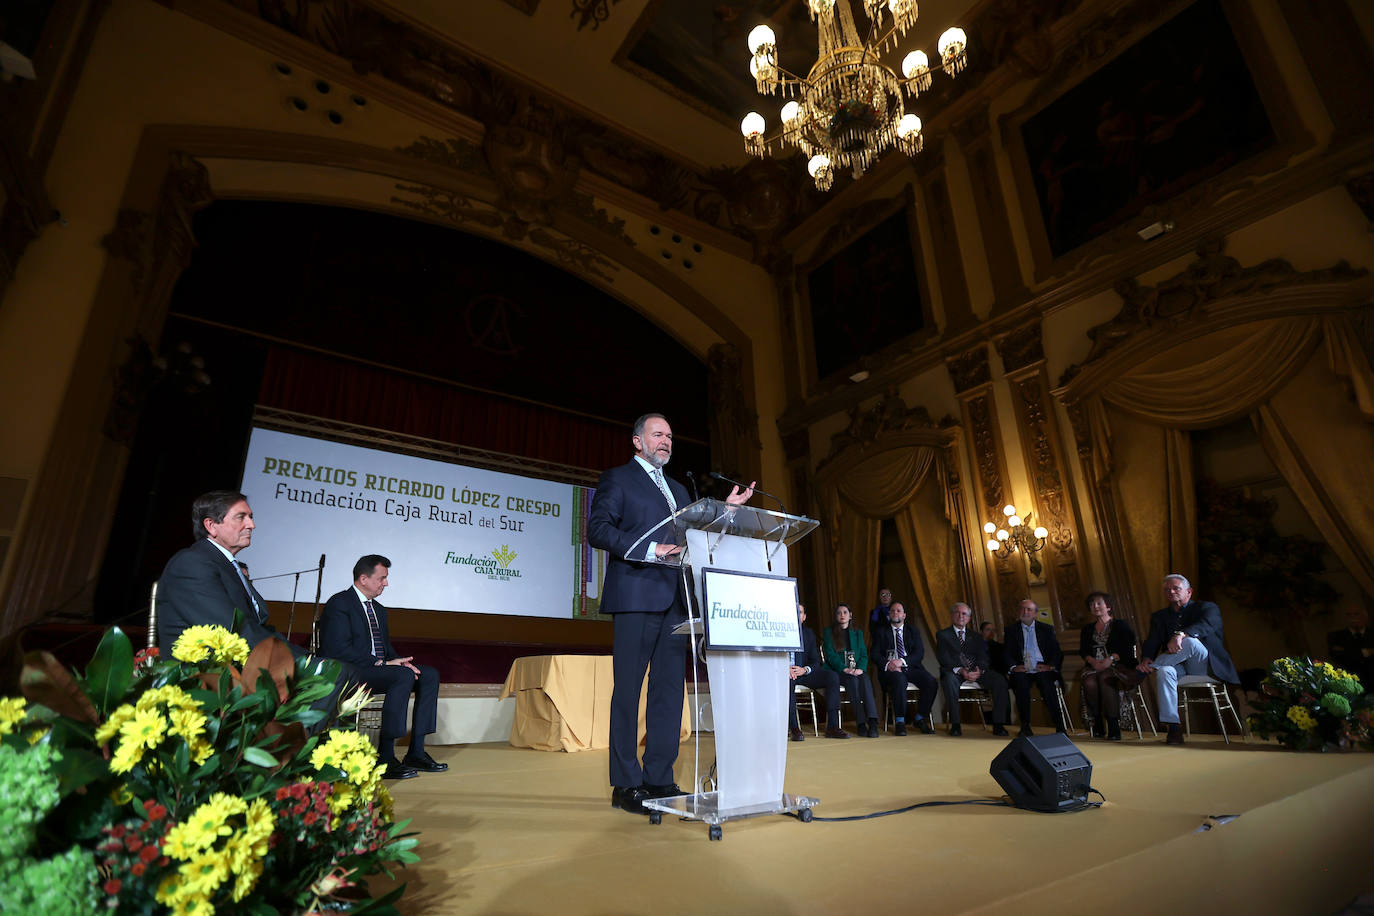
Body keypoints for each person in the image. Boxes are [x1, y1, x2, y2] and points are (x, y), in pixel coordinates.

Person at [588, 413, 753, 815]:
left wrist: (726, 512)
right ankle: (626, 785)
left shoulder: (680, 489)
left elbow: (695, 538)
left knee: (669, 693)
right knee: (627, 692)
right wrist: (652, 550)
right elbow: (598, 529)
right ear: (637, 441)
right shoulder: (618, 479)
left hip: (676, 602)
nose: (666, 441)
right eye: (657, 434)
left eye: (670, 436)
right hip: (635, 596)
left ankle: (659, 777)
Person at [319, 555, 445, 780]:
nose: (386, 583)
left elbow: (385, 649)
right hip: (350, 672)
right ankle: (386, 756)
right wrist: (383, 663)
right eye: (382, 578)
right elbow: (337, 650)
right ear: (364, 578)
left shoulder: (378, 610)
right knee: (401, 677)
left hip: (378, 669)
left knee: (429, 674)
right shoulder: (339, 603)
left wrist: (400, 661)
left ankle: (416, 752)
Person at [157, 490, 299, 652]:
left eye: (250, 517)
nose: (251, 525)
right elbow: (232, 632)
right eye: (241, 517)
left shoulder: (230, 566)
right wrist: (306, 666)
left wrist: (309, 660)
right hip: (208, 673)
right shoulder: (191, 564)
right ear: (211, 525)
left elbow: (260, 629)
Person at [1138, 573, 1239, 745]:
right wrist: (1147, 657)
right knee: (1165, 672)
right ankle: (1174, 728)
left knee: (1190, 642)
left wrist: (1180, 634)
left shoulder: (1207, 608)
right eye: (1167, 590)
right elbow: (1152, 640)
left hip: (1204, 664)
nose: (1171, 592)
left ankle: (1146, 671)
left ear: (1189, 592)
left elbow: (1207, 625)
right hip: (1177, 665)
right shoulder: (1160, 616)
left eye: (1176, 588)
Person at [1077, 591, 1145, 740]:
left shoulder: (1121, 625)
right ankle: (1098, 724)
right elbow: (1083, 651)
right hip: (1094, 666)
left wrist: (1111, 659)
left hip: (1118, 666)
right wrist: (1093, 662)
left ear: (1108, 606)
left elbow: (1128, 649)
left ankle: (1114, 726)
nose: (1095, 606)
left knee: (1105, 678)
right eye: (1092, 604)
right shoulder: (1087, 629)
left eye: (1099, 603)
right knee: (1089, 682)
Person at [935, 603, 1009, 737]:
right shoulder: (942, 635)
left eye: (964, 614)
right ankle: (956, 725)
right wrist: (962, 670)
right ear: (952, 615)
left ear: (969, 618)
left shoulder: (976, 636)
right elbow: (943, 658)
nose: (960, 616)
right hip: (955, 671)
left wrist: (978, 670)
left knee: (999, 680)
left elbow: (983, 657)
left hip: (976, 671)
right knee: (949, 680)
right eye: (957, 612)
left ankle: (999, 724)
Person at [869, 601, 937, 734]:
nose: (895, 613)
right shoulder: (881, 632)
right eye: (893, 611)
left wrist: (902, 661)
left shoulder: (913, 631)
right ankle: (900, 721)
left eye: (899, 611)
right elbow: (875, 654)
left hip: (911, 667)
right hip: (891, 671)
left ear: (904, 615)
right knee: (899, 680)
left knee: (931, 682)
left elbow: (919, 653)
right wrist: (889, 664)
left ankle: (919, 718)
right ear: (889, 614)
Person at [1003, 599, 1066, 737]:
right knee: (1020, 683)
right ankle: (1025, 726)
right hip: (1022, 668)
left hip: (1041, 667)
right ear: (1018, 612)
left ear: (1036, 614)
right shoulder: (1011, 630)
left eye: (1029, 609)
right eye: (1022, 609)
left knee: (1047, 684)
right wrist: (1014, 667)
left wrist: (1050, 666)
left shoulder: (1046, 629)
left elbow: (1057, 652)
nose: (1025, 612)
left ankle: (1060, 727)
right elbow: (1006, 653)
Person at [788, 603, 848, 740]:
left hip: (803, 673)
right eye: (794, 612)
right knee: (788, 682)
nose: (797, 615)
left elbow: (815, 661)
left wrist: (804, 670)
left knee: (832, 676)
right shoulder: (777, 631)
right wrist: (785, 668)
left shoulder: (808, 634)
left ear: (804, 617)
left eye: (800, 612)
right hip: (787, 673)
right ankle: (794, 728)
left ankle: (832, 727)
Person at [822, 603, 879, 737]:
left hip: (856, 670)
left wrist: (860, 669)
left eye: (845, 612)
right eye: (839, 613)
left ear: (850, 615)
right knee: (853, 681)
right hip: (839, 672)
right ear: (836, 616)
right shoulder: (829, 632)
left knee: (865, 679)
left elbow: (864, 655)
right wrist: (845, 669)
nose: (842, 615)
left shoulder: (857, 633)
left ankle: (872, 721)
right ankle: (860, 723)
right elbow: (830, 656)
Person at [1326, 600, 1374, 687]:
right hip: (1353, 684)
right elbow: (1338, 657)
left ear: (1365, 616)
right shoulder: (1336, 637)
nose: (1353, 618)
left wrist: (1350, 651)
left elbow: (1347, 654)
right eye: (1349, 615)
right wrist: (1367, 652)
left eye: (1356, 614)